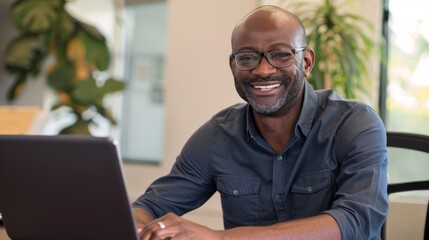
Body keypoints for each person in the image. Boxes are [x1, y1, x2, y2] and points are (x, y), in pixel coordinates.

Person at [132, 5, 388, 240]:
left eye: (280, 55)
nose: (263, 70)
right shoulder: (216, 136)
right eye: (246, 57)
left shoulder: (354, 123)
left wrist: (220, 238)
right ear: (233, 66)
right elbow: (148, 208)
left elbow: (356, 220)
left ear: (307, 62)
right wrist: (144, 229)